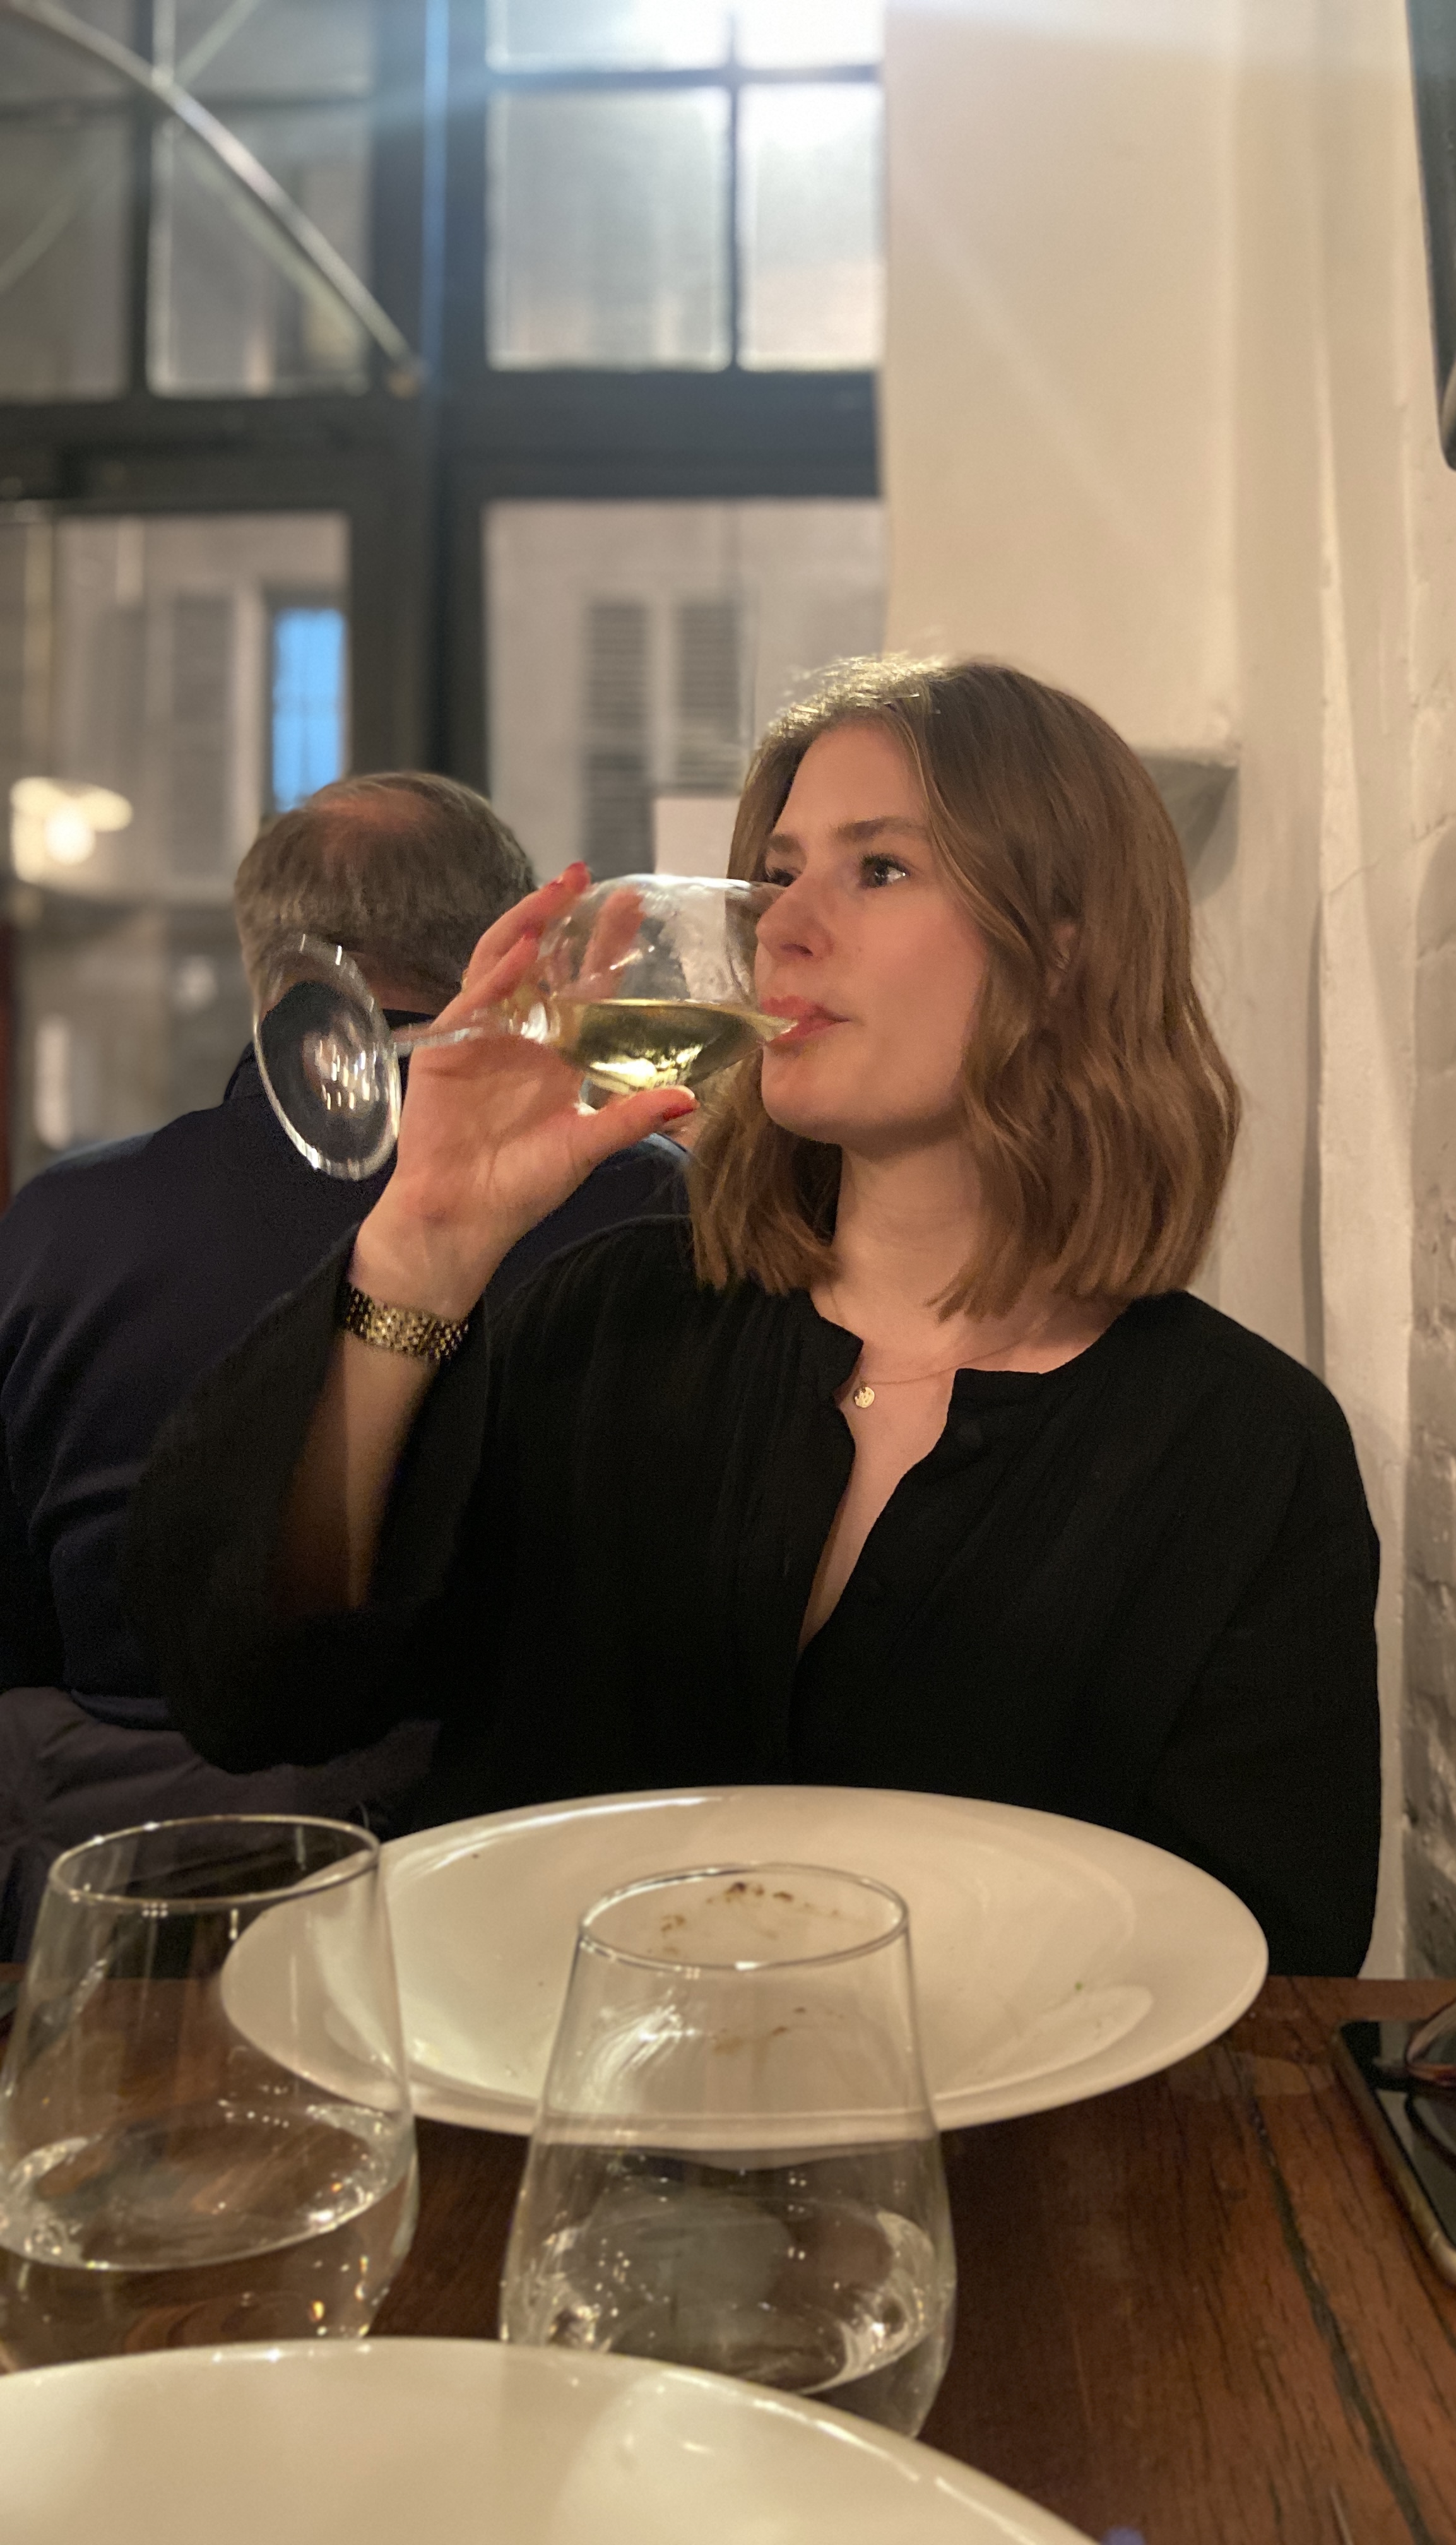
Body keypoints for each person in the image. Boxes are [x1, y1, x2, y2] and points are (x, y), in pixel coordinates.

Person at [127, 661, 1382, 1972]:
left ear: (1066, 950)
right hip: (538, 2087)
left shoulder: (1243, 1445)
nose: (783, 927)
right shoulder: (617, 1320)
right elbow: (252, 1688)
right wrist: (421, 1247)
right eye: (778, 876)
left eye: (879, 868)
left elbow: (1263, 1971)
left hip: (1006, 2108)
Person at [0, 771, 685, 1954]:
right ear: (499, 947)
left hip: (114, 1907)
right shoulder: (645, 1207)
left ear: (271, 963)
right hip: (534, 1900)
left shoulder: (64, 1223)